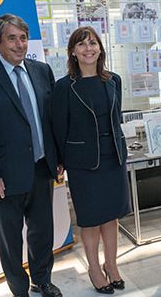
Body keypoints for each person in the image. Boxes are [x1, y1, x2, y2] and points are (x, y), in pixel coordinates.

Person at [0, 14, 62, 297]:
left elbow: (50, 120)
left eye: (23, 38)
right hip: (4, 176)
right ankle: (19, 289)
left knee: (42, 231)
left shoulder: (41, 71)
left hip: (41, 168)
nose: (19, 44)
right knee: (10, 238)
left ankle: (42, 280)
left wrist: (57, 158)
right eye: (12, 38)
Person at [51, 26, 130, 294]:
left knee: (111, 216)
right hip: (83, 162)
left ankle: (112, 264)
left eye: (93, 43)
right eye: (82, 45)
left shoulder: (113, 80)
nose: (89, 49)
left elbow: (116, 118)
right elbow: (58, 127)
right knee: (91, 218)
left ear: (100, 48)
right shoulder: (64, 87)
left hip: (114, 156)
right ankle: (94, 268)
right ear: (73, 51)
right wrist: (59, 162)